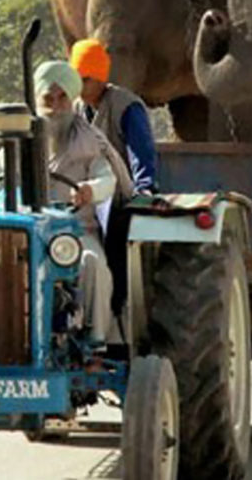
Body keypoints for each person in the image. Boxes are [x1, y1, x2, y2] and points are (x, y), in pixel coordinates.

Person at [0, 60, 131, 348]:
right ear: (36, 100)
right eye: (48, 98)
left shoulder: (90, 142)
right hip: (23, 235)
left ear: (73, 99)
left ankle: (96, 343)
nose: (55, 105)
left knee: (93, 265)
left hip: (74, 234)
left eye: (62, 98)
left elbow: (107, 179)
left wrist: (90, 189)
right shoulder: (17, 141)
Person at [69, 38, 158, 317]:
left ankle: (115, 307)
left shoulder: (126, 106)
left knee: (114, 228)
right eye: (75, 80)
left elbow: (140, 151)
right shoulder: (74, 109)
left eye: (84, 80)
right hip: (82, 191)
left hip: (118, 191)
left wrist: (144, 189)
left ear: (99, 78)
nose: (79, 87)